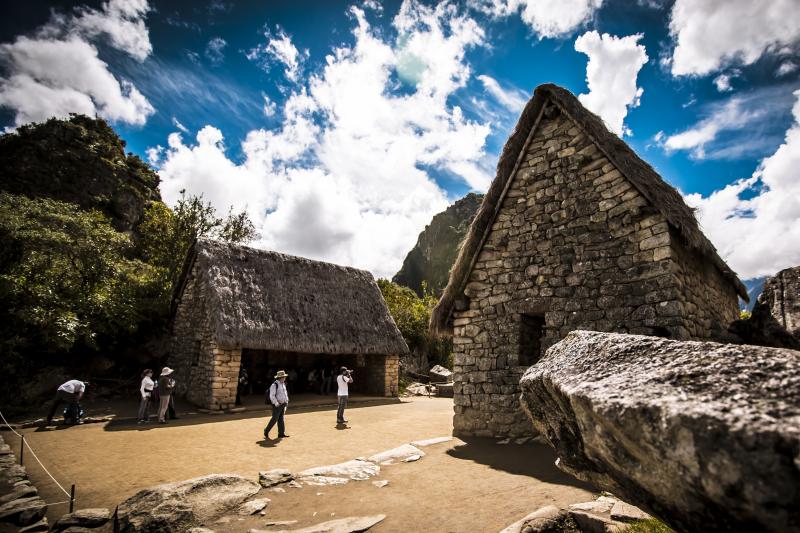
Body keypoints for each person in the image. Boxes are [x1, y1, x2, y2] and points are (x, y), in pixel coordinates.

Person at [264, 370, 290, 440]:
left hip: (283, 404)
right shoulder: (274, 385)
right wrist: (276, 403)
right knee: (275, 419)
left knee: (281, 419)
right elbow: (272, 396)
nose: (285, 378)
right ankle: (266, 430)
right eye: (283, 377)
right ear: (280, 378)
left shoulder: (283, 384)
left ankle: (281, 433)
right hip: (277, 405)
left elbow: (285, 393)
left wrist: (286, 401)